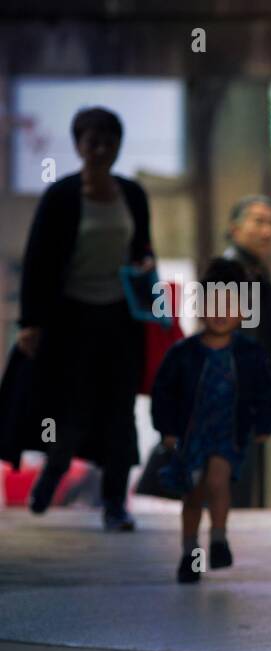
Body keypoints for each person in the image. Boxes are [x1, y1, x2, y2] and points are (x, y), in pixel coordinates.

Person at [7, 107, 154, 530]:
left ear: (118, 146)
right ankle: (51, 476)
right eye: (93, 141)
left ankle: (115, 505)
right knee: (71, 408)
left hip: (120, 316)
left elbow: (143, 246)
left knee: (120, 410)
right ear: (78, 145)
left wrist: (146, 264)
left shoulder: (132, 194)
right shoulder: (62, 195)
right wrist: (30, 323)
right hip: (70, 317)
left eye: (110, 141)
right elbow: (38, 260)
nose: (102, 149)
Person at [151, 258, 271, 584]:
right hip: (191, 435)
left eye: (230, 304)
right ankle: (190, 552)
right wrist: (166, 429)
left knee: (218, 481)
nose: (221, 313)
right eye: (213, 303)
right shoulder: (183, 354)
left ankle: (218, 539)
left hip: (228, 432)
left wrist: (264, 424)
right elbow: (163, 392)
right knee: (192, 493)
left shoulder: (250, 353)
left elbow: (264, 390)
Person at [223, 195, 271, 508]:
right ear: (235, 228)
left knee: (247, 482)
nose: (267, 231)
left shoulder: (257, 272)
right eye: (258, 221)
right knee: (234, 484)